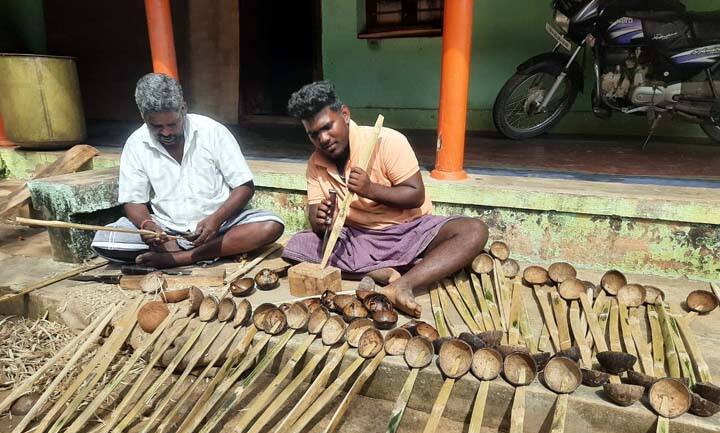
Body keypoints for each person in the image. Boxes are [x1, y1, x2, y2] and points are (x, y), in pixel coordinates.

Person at [283, 81, 488, 317]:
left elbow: (415, 194)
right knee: (296, 247)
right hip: (360, 238)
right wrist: (322, 220)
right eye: (314, 134)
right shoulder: (315, 163)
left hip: (411, 231)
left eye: (328, 127)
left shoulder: (387, 141)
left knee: (474, 230)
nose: (324, 138)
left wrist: (371, 189)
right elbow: (317, 222)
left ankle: (402, 284)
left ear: (345, 114)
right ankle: (391, 270)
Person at [91, 73, 284, 268]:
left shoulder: (212, 131)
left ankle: (183, 257)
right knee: (106, 240)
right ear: (142, 116)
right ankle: (211, 249)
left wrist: (216, 219)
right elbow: (133, 201)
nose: (166, 132)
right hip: (167, 230)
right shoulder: (135, 143)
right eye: (156, 126)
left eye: (172, 124)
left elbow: (244, 186)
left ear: (183, 108)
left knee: (270, 225)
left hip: (222, 225)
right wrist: (148, 226)